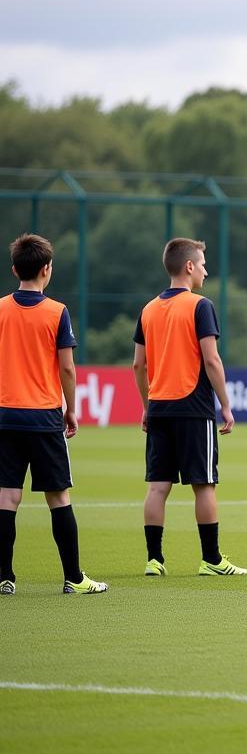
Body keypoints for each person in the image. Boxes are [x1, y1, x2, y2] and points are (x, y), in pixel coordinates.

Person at [0, 234, 108, 595]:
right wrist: (72, 408)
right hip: (44, 416)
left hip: (5, 416)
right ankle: (74, 578)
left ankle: (5, 577)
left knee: (6, 498)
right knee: (58, 498)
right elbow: (67, 369)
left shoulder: (0, 309)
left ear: (15, 269)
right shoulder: (57, 312)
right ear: (47, 269)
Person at [132, 238, 246, 576]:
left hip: (161, 408)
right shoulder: (200, 306)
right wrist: (225, 404)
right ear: (190, 267)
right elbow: (211, 359)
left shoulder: (148, 309)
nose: (207, 271)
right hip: (194, 407)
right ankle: (211, 560)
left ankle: (154, 560)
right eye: (204, 264)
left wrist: (146, 405)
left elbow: (139, 365)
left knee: (157, 486)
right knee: (204, 484)